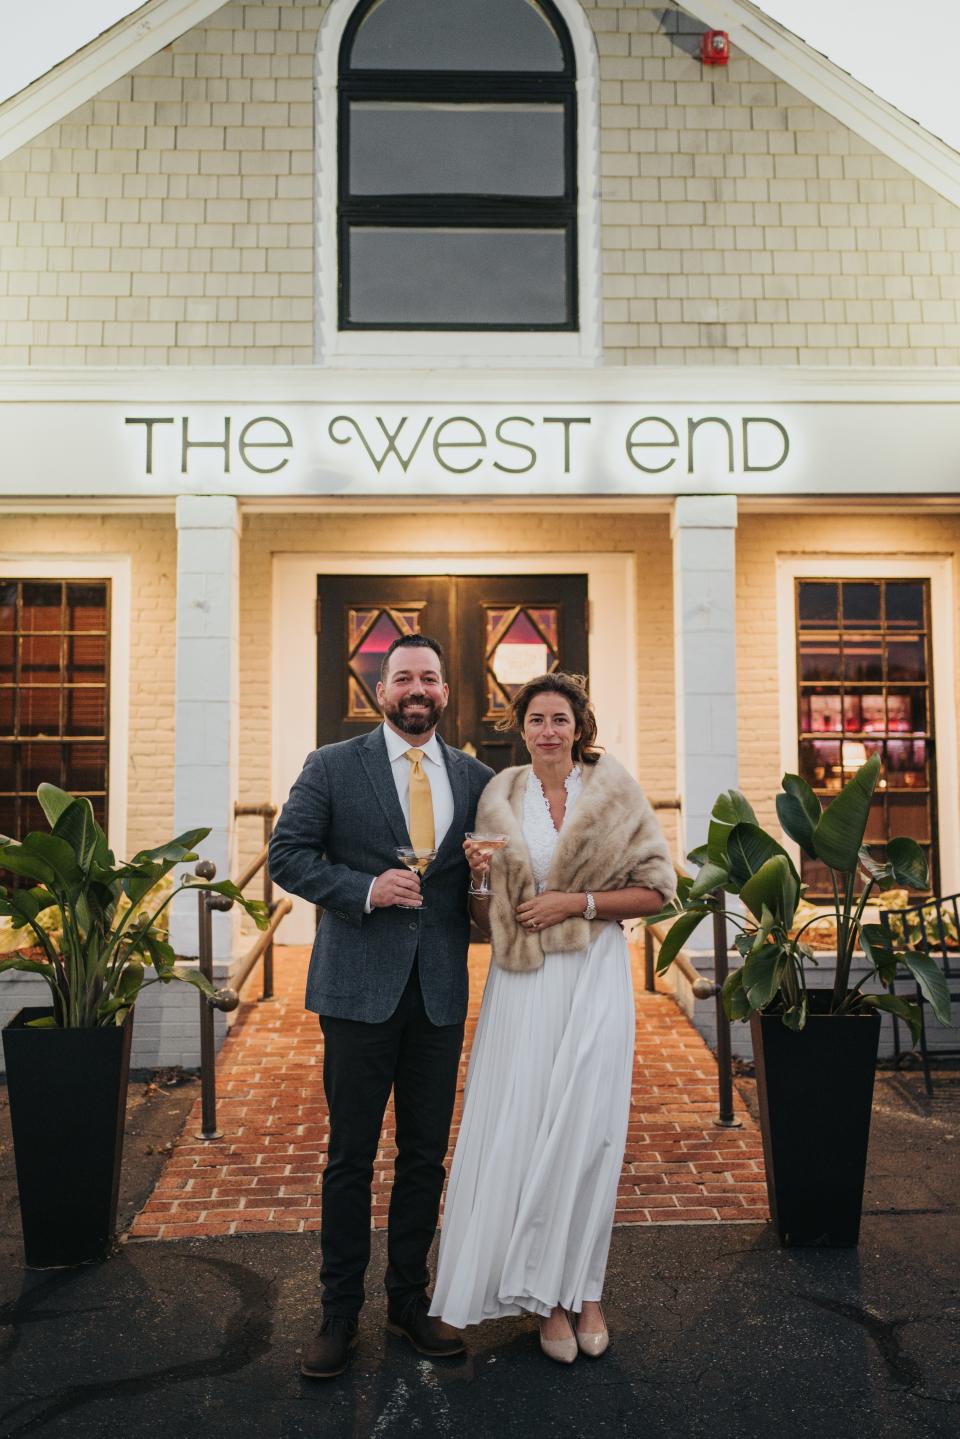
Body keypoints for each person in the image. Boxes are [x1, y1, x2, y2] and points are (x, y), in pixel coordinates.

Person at [429, 672, 675, 1363]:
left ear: (579, 725)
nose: (547, 730)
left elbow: (658, 890)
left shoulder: (615, 791)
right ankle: (546, 1297)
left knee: (589, 1134)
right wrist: (478, 877)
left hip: (595, 976)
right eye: (535, 718)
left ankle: (585, 1286)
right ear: (522, 726)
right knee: (530, 1126)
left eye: (559, 718)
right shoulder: (500, 795)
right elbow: (485, 920)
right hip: (523, 981)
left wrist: (578, 904)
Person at [269, 633, 493, 1379]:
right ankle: (338, 1312)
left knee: (425, 1153)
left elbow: (486, 883)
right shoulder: (333, 766)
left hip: (437, 993)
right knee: (350, 1156)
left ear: (446, 691)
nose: (417, 687)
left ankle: (408, 1300)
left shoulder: (476, 777)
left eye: (429, 676)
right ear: (381, 688)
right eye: (403, 677)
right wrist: (365, 890)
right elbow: (288, 856)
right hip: (357, 991)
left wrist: (494, 881)